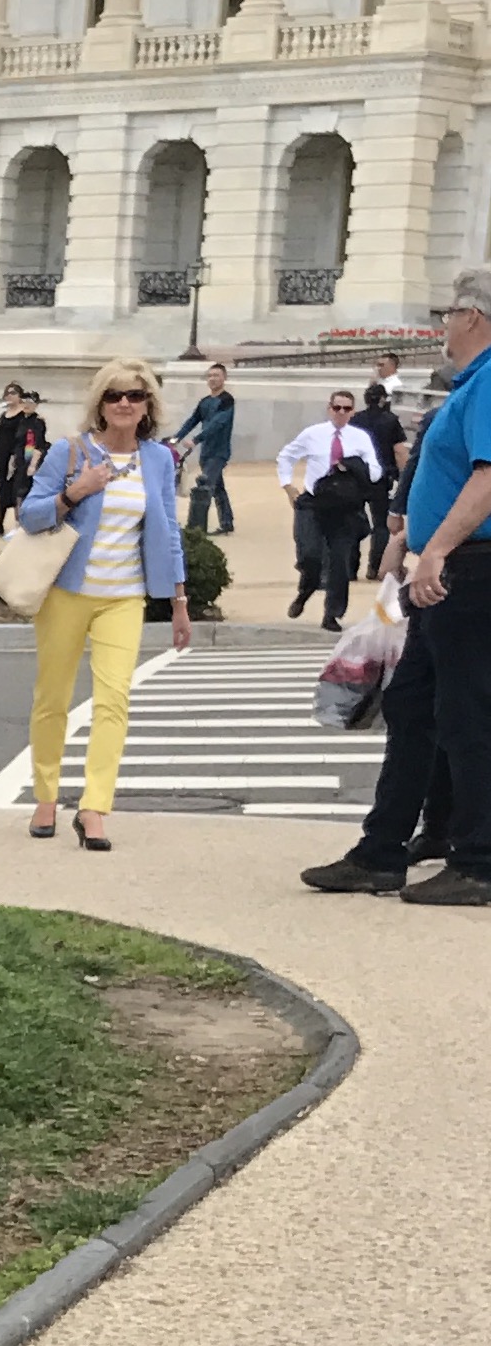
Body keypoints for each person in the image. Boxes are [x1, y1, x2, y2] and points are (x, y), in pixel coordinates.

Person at [306, 270, 491, 906]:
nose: (441, 324)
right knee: (413, 707)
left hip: (471, 569)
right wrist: (414, 545)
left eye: (447, 312)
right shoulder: (472, 385)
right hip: (449, 566)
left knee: (468, 716)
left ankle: (479, 861)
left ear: (473, 316)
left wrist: (436, 549)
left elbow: (488, 477)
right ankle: (382, 851)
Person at [19, 359, 192, 851]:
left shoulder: (158, 459)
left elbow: (169, 532)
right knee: (52, 697)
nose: (123, 403)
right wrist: (77, 490)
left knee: (115, 701)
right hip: (67, 594)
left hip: (124, 596)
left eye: (134, 396)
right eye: (114, 395)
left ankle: (94, 807)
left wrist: (178, 599)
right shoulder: (69, 451)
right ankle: (46, 796)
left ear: (147, 406)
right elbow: (30, 514)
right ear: (100, 403)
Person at [278, 391, 383, 630]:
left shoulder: (360, 438)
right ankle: (305, 591)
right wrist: (288, 486)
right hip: (314, 501)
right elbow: (286, 456)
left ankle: (332, 614)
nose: (342, 413)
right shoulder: (313, 434)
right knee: (310, 556)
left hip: (344, 506)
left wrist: (353, 466)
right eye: (338, 408)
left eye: (347, 409)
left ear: (353, 411)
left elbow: (375, 470)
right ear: (330, 408)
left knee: (340, 563)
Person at [171, 362, 237, 535]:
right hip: (206, 452)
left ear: (224, 378)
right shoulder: (205, 402)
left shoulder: (227, 401)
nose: (212, 379)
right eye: (210, 376)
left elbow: (218, 423)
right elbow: (192, 421)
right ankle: (227, 522)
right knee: (217, 487)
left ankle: (198, 528)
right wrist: (175, 438)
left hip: (219, 452)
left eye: (216, 375)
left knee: (205, 485)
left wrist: (196, 439)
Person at [353, 381, 407, 579]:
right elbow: (399, 450)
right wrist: (404, 477)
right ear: (383, 399)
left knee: (352, 521)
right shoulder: (390, 420)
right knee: (381, 525)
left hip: (357, 477)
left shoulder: (355, 420)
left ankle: (350, 568)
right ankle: (374, 567)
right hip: (382, 478)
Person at [0, 379, 44, 536]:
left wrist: (27, 461)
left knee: (19, 491)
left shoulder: (29, 419)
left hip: (18, 457)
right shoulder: (8, 416)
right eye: (8, 393)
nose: (9, 396)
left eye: (13, 393)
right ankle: (1, 524)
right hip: (4, 456)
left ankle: (20, 525)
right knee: (4, 490)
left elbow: (32, 442)